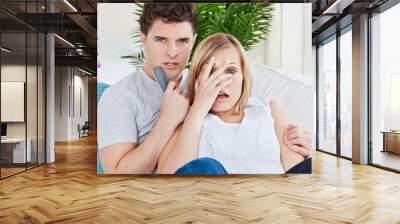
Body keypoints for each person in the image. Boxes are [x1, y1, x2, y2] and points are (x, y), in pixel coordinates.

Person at [156, 33, 312, 174]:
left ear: (243, 76)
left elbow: (296, 172)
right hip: (219, 201)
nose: (221, 82)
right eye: (211, 72)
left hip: (272, 198)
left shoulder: (269, 110)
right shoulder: (186, 121)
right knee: (206, 167)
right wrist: (198, 110)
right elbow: (169, 179)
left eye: (231, 71)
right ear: (197, 78)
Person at [98, 3, 196, 174]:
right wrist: (167, 121)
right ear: (144, 40)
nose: (172, 52)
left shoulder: (202, 83)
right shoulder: (119, 96)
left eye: (182, 41)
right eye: (161, 40)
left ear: (193, 40)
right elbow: (116, 175)